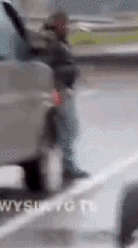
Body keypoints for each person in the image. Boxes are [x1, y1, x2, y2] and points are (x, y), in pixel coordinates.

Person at [42, 10, 89, 180]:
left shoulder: (58, 42)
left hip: (64, 88)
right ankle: (68, 167)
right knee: (68, 128)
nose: (68, 28)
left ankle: (68, 165)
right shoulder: (53, 44)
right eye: (65, 24)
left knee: (69, 128)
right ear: (59, 24)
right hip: (59, 89)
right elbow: (50, 68)